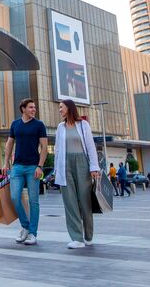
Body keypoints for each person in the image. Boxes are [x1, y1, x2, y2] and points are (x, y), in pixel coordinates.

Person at [54, 99, 101, 249]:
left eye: (61, 107)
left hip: (82, 163)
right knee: (70, 202)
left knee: (85, 200)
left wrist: (94, 167)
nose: (60, 110)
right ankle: (77, 238)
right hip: (64, 164)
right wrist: (56, 170)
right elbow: (57, 150)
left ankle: (88, 236)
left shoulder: (83, 125)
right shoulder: (60, 127)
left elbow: (90, 147)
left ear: (69, 108)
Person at [3, 98, 48, 246]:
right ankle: (25, 227)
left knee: (34, 201)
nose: (34, 110)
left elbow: (44, 147)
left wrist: (40, 166)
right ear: (23, 109)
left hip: (33, 167)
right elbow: (9, 144)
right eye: (31, 107)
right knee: (14, 197)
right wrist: (6, 163)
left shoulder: (39, 125)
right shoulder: (15, 124)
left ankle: (33, 234)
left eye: (34, 107)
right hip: (17, 167)